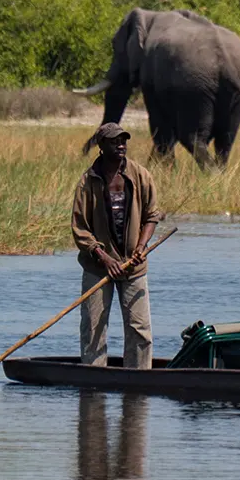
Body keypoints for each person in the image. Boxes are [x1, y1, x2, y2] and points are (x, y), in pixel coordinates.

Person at [72, 122, 159, 368]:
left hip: (133, 267)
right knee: (94, 327)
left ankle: (139, 376)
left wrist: (141, 247)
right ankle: (93, 376)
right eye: (114, 141)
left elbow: (151, 216)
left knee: (140, 328)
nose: (121, 145)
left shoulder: (140, 175)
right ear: (101, 145)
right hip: (98, 268)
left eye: (123, 140)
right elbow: (80, 229)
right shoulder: (88, 181)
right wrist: (104, 257)